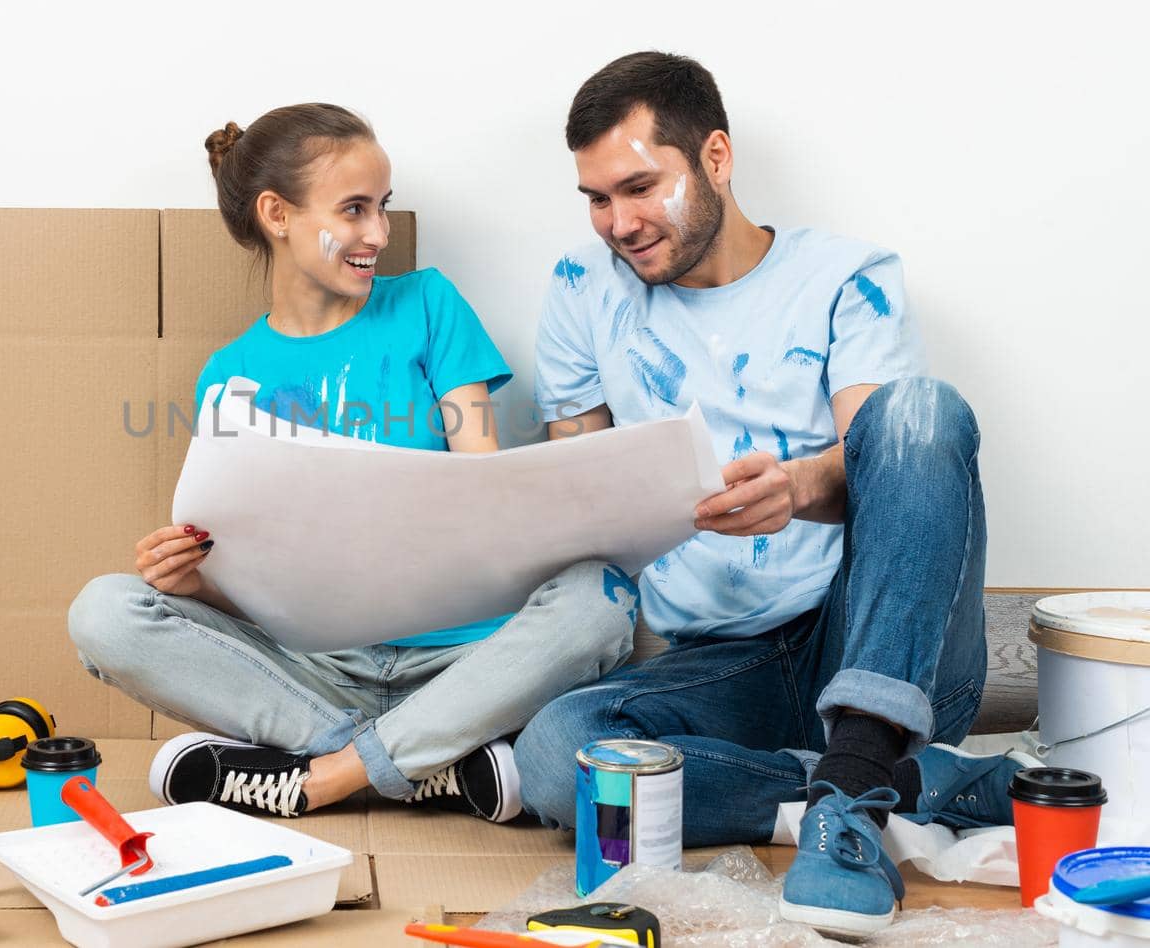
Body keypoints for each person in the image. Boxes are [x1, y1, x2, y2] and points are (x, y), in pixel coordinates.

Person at [514, 53, 1035, 937]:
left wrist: (798, 486)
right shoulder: (581, 291)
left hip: (874, 633)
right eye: (597, 198)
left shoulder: (847, 275)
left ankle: (862, 761)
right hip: (729, 665)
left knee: (920, 412)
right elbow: (582, 495)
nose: (620, 223)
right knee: (559, 756)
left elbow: (893, 465)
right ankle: (889, 785)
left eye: (640, 186)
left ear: (716, 157)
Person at [70, 103, 638, 824]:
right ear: (277, 214)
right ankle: (426, 762)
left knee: (602, 598)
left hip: (464, 660)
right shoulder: (230, 375)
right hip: (315, 672)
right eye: (355, 209)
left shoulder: (428, 305)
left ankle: (323, 776)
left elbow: (484, 490)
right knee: (106, 611)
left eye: (384, 207)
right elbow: (250, 582)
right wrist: (193, 579)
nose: (378, 233)